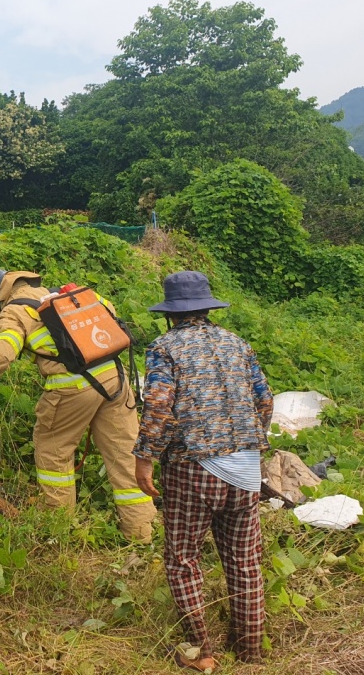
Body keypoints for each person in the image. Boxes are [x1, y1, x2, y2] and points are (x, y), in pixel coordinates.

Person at [133, 271, 273, 670]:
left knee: (183, 559)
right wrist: (248, 444)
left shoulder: (164, 348)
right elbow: (265, 401)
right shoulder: (236, 343)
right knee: (245, 563)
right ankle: (250, 650)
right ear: (208, 307)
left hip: (193, 469)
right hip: (246, 471)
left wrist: (144, 458)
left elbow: (159, 407)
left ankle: (202, 651)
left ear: (170, 313)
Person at [0, 269, 156, 541]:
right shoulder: (66, 295)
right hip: (116, 380)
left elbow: (0, 354)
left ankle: (58, 531)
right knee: (123, 455)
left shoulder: (15, 311)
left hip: (73, 388)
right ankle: (140, 533)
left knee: (53, 453)